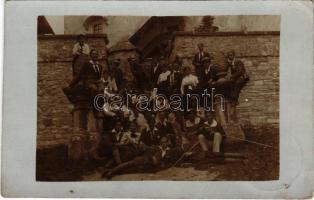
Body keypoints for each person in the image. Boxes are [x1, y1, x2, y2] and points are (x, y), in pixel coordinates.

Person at [102, 136, 181, 179]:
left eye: (165, 142)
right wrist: (152, 157)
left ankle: (110, 171)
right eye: (162, 142)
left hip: (148, 167)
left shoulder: (168, 151)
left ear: (168, 143)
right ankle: (111, 172)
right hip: (143, 160)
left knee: (128, 170)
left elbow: (172, 157)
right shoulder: (156, 148)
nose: (163, 144)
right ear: (160, 143)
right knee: (128, 164)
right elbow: (148, 152)